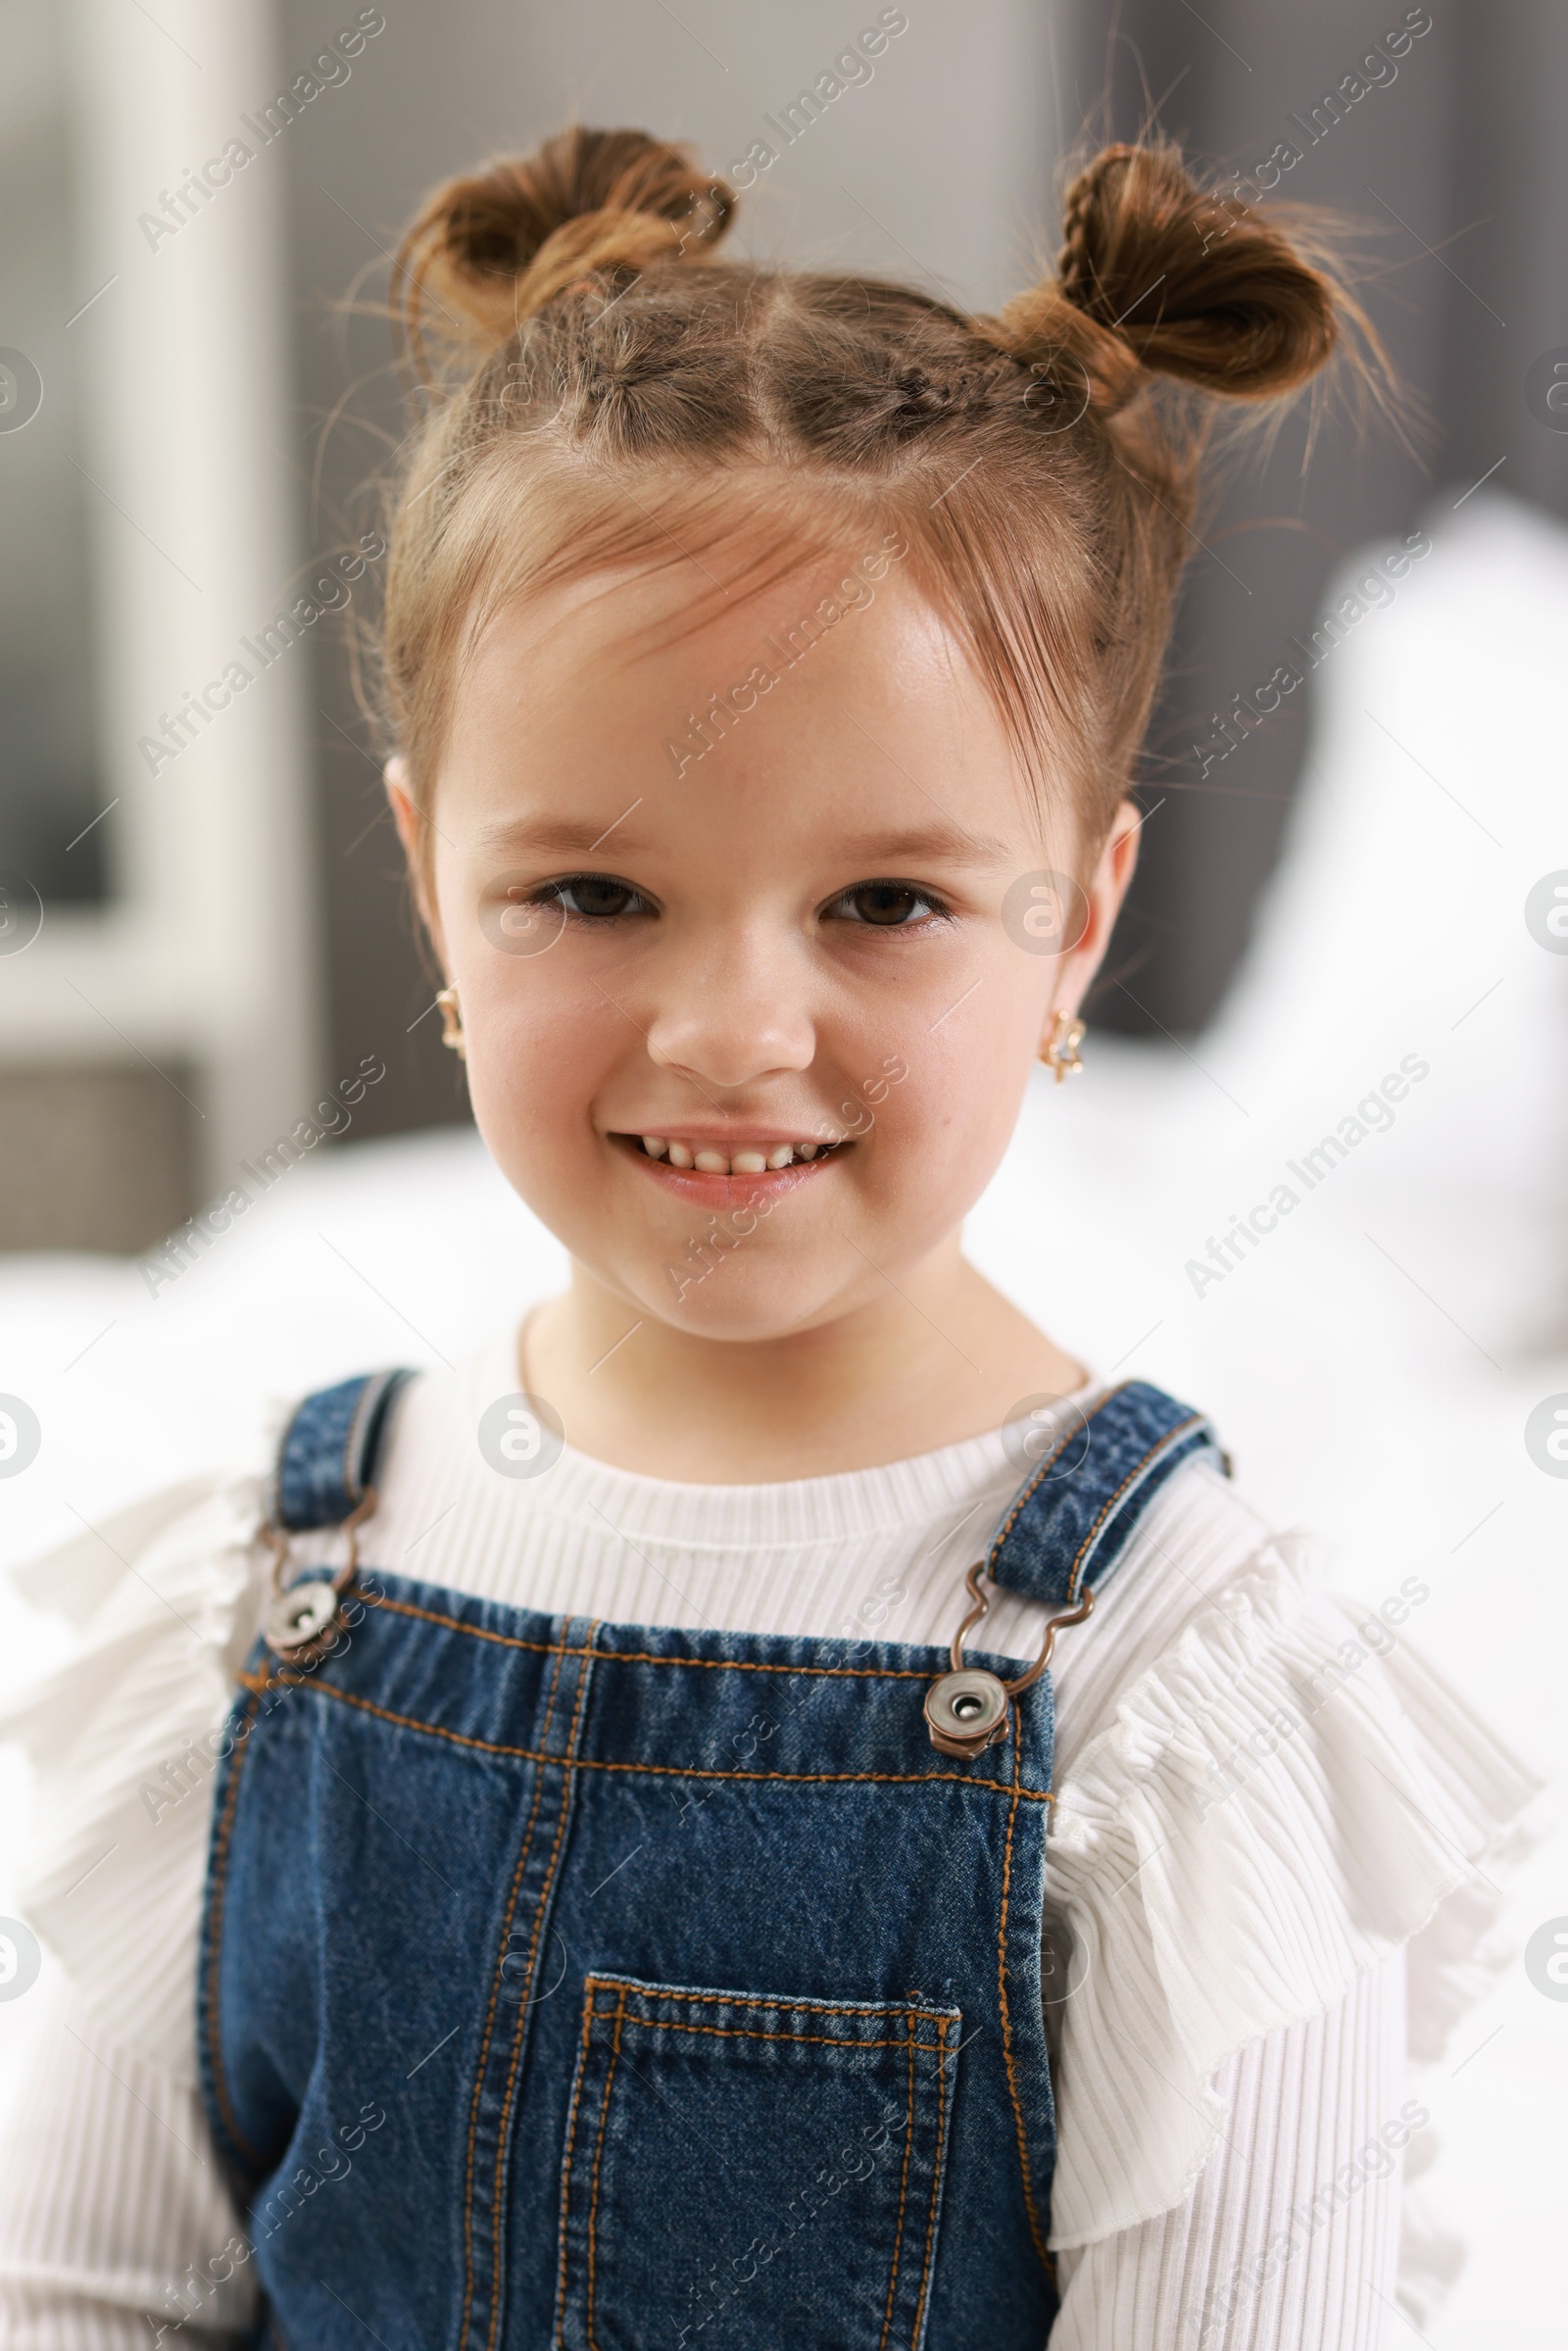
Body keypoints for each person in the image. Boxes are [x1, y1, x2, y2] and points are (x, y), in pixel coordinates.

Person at [0, 125, 1537, 2349]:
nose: (731, 1030)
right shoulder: (267, 1594)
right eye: (592, 894)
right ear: (436, 879)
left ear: (1072, 920)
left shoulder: (1161, 1684)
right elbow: (83, 2289)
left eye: (885, 904)